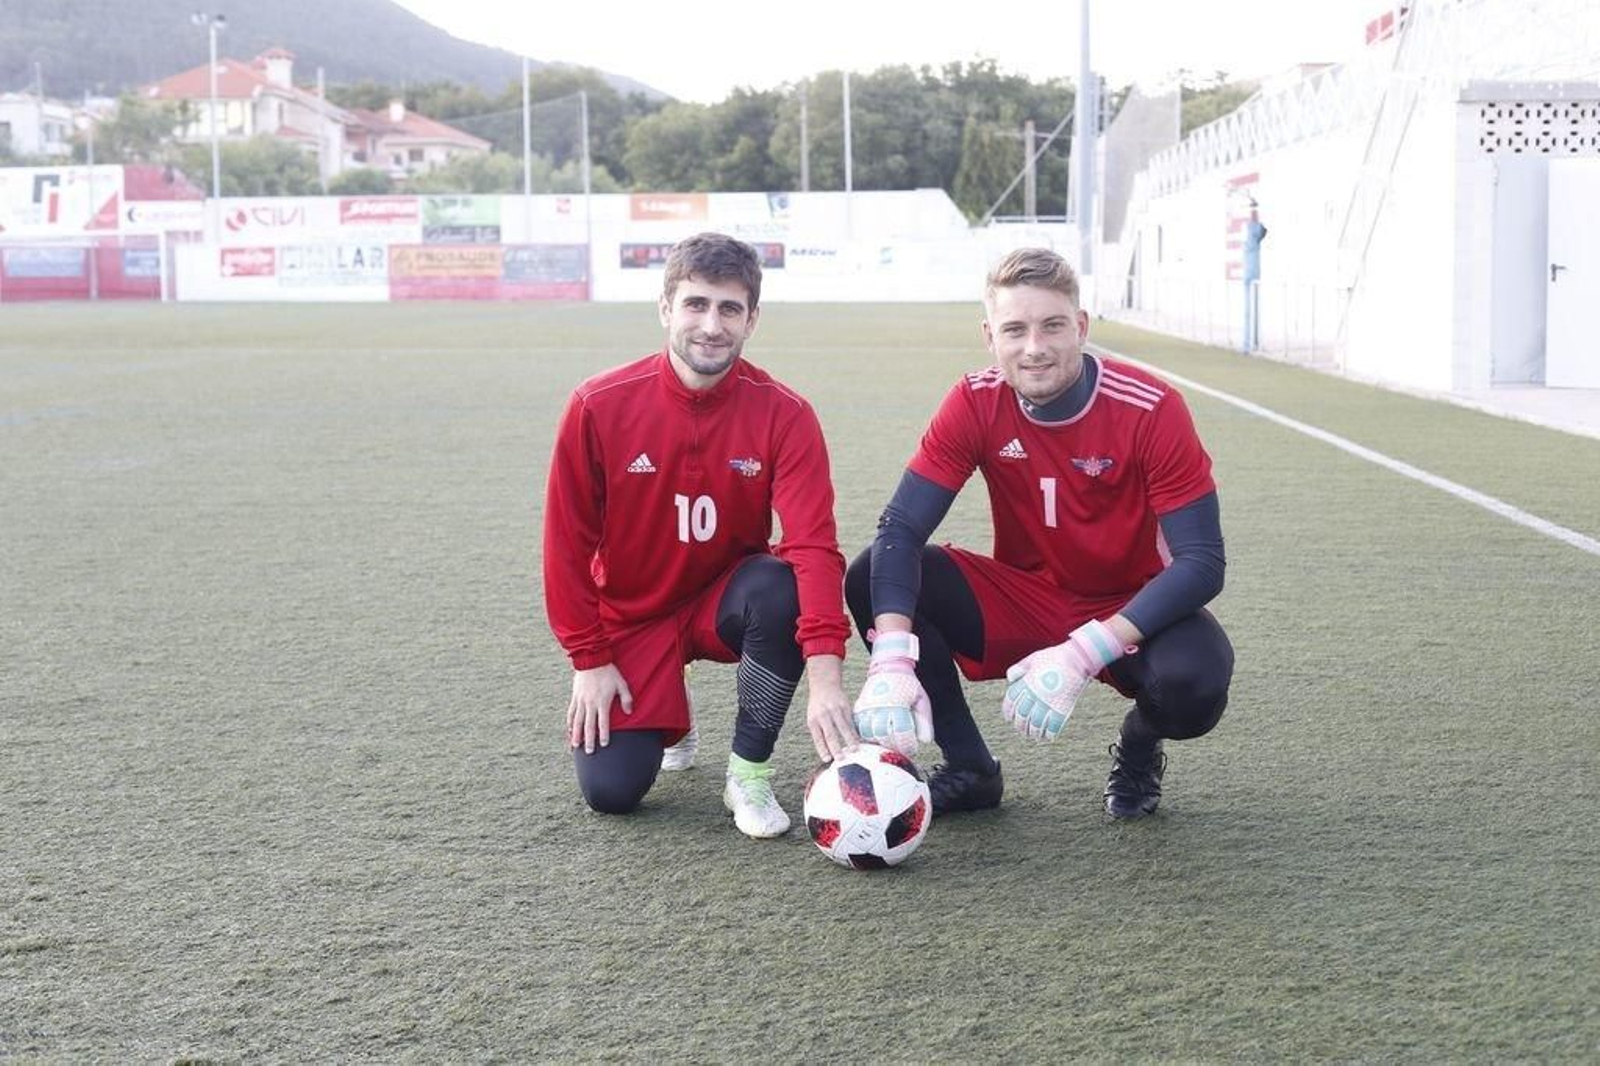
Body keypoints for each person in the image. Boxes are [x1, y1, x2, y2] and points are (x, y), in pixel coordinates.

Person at [847, 246, 1233, 819]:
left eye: (1053, 325)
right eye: (1015, 329)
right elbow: (900, 526)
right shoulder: (974, 400)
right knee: (870, 574)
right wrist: (892, 660)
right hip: (1029, 599)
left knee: (1194, 686)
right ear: (989, 336)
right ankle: (970, 768)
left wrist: (1086, 651)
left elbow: (1202, 562)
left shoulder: (1151, 408)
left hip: (1131, 610)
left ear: (1080, 326)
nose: (1034, 348)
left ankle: (1139, 745)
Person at [543, 232, 856, 838]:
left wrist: (826, 679)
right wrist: (590, 659)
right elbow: (566, 545)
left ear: (752, 320)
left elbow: (814, 546)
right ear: (666, 308)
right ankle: (672, 717)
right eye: (696, 304)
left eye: (729, 309)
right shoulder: (597, 404)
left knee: (779, 583)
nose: (711, 325)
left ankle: (749, 774)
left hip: (724, 602)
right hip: (632, 616)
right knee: (612, 794)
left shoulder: (785, 414)